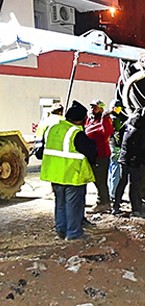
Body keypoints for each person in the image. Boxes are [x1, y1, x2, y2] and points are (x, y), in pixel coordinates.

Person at [40, 101, 97, 240]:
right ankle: (74, 233)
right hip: (72, 175)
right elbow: (90, 152)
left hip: (55, 173)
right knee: (73, 205)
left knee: (60, 203)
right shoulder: (76, 133)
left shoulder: (52, 128)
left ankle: (61, 229)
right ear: (81, 120)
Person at [113, 106, 145, 218]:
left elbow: (119, 134)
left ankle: (116, 207)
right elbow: (143, 145)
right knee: (135, 184)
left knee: (122, 182)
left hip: (124, 156)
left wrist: (123, 148)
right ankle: (136, 210)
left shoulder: (129, 120)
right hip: (135, 160)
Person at [84, 99, 113, 213]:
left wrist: (105, 119)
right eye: (91, 107)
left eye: (95, 107)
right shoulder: (90, 120)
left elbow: (107, 132)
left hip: (101, 155)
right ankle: (104, 201)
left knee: (100, 180)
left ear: (101, 109)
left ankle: (103, 203)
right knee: (95, 179)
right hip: (92, 155)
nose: (92, 109)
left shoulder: (104, 120)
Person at [107, 99, 127, 203]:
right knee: (116, 171)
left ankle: (111, 193)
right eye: (119, 108)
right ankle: (114, 194)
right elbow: (118, 134)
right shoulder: (115, 119)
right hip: (115, 148)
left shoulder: (107, 118)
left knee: (111, 171)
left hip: (109, 147)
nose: (120, 110)